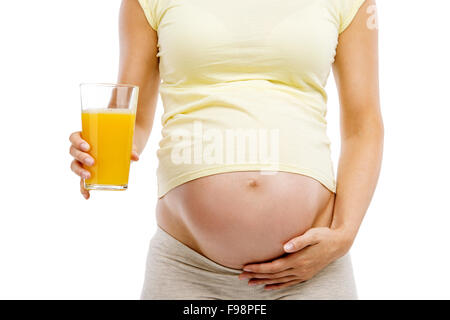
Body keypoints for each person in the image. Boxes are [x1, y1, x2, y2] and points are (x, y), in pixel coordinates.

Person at [69, 0, 383, 299]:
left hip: (311, 271)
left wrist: (344, 234)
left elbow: (363, 123)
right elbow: (132, 119)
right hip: (186, 269)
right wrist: (93, 153)